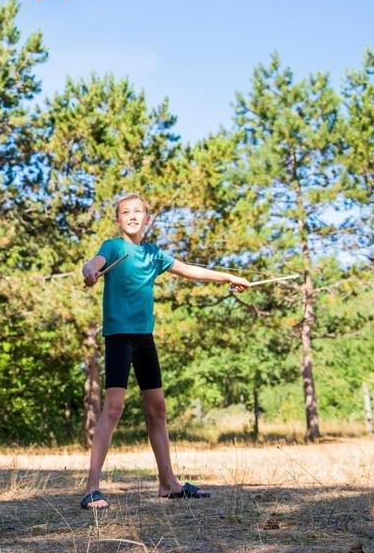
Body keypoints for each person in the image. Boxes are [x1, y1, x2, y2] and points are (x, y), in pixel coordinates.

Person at [79, 193, 250, 509]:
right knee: (113, 408)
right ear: (118, 220)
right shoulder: (114, 248)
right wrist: (89, 270)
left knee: (157, 409)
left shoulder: (153, 255)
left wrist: (228, 276)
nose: (132, 215)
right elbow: (95, 263)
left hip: (145, 339)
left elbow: (188, 270)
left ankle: (168, 483)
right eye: (125, 212)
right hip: (119, 338)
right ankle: (92, 489)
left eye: (138, 211)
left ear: (148, 219)